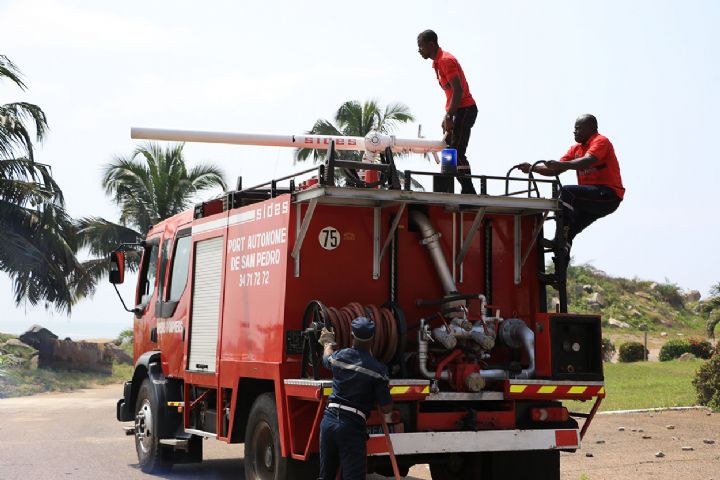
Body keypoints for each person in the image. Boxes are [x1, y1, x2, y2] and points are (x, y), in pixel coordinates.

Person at [519, 114, 624, 248]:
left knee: (567, 191)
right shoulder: (576, 149)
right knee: (569, 231)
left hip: (608, 195)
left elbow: (587, 161)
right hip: (589, 199)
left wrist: (560, 165)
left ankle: (560, 232)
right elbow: (554, 170)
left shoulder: (600, 141)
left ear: (591, 127)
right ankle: (561, 257)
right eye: (575, 128)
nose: (575, 131)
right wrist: (532, 169)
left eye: (578, 128)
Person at [317, 317, 393, 480]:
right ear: (373, 337)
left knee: (326, 477)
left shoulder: (340, 357)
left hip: (328, 421)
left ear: (352, 335)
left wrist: (327, 343)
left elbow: (326, 359)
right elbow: (386, 408)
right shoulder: (378, 370)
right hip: (351, 426)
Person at [417, 29, 478, 194]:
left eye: (421, 46)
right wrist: (447, 115)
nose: (419, 50)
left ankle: (469, 191)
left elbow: (458, 90)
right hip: (456, 110)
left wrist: (449, 115)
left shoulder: (445, 60)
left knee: (456, 151)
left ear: (431, 44)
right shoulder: (437, 63)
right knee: (448, 151)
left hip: (464, 109)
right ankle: (448, 187)